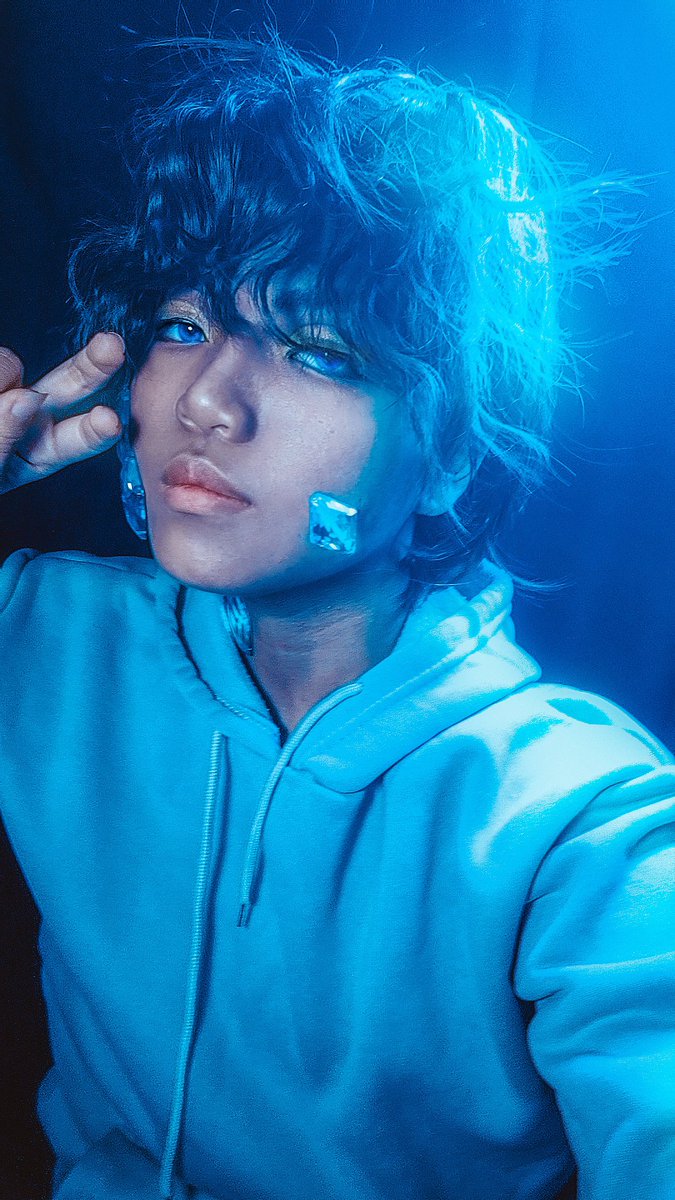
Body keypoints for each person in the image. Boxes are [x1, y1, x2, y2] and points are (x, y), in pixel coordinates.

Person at [0, 34, 673, 1200]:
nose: (209, 404)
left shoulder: (583, 816)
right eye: (182, 326)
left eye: (316, 351)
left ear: (449, 453)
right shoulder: (42, 640)